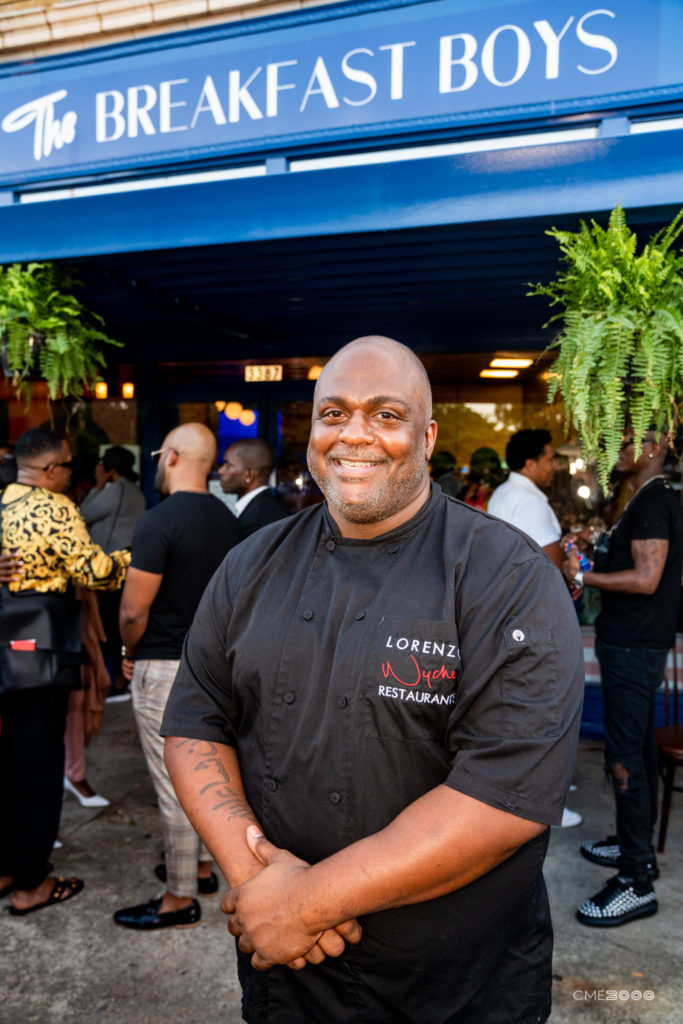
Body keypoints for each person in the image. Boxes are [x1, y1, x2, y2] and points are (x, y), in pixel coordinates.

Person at [161, 336, 584, 1023]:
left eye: (386, 415)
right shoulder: (250, 565)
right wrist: (257, 881)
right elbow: (195, 722)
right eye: (333, 414)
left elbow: (504, 795)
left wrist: (306, 903)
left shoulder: (507, 578)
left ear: (427, 437)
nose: (353, 434)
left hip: (457, 986)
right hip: (287, 973)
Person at [113, 423, 241, 931]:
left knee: (175, 787)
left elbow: (131, 610)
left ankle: (177, 899)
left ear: (170, 457)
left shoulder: (159, 519)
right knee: (209, 776)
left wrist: (127, 651)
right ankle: (203, 870)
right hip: (216, 668)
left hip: (165, 665)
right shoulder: (230, 520)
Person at [0, 427, 129, 916]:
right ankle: (31, 885)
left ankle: (7, 867)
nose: (72, 474)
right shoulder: (55, 508)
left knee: (7, 763)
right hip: (40, 653)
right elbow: (95, 572)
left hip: (4, 652)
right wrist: (140, 557)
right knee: (38, 765)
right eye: (70, 465)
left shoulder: (2, 503)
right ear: (52, 470)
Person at [564, 428, 683, 927]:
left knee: (624, 759)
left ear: (655, 448)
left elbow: (646, 578)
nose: (619, 446)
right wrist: (594, 544)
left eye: (630, 438)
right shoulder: (645, 498)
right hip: (634, 646)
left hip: (634, 649)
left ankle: (636, 882)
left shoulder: (653, 501)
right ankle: (636, 849)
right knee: (637, 751)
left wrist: (581, 576)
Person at [488, 428, 582, 829]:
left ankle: (538, 791)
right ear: (529, 463)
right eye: (549, 458)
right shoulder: (529, 501)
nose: (554, 466)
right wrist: (574, 571)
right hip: (533, 621)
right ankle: (544, 802)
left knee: (519, 713)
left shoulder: (504, 494)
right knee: (543, 712)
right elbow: (552, 568)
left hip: (507, 618)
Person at [80, 445, 146, 700]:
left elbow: (84, 514)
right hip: (126, 566)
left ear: (110, 468)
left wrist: (98, 485)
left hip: (111, 570)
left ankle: (117, 680)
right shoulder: (134, 490)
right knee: (116, 622)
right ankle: (119, 678)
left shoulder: (116, 490)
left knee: (109, 624)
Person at [218, 439, 290, 538]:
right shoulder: (264, 509)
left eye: (228, 465)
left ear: (249, 474)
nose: (220, 471)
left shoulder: (257, 521)